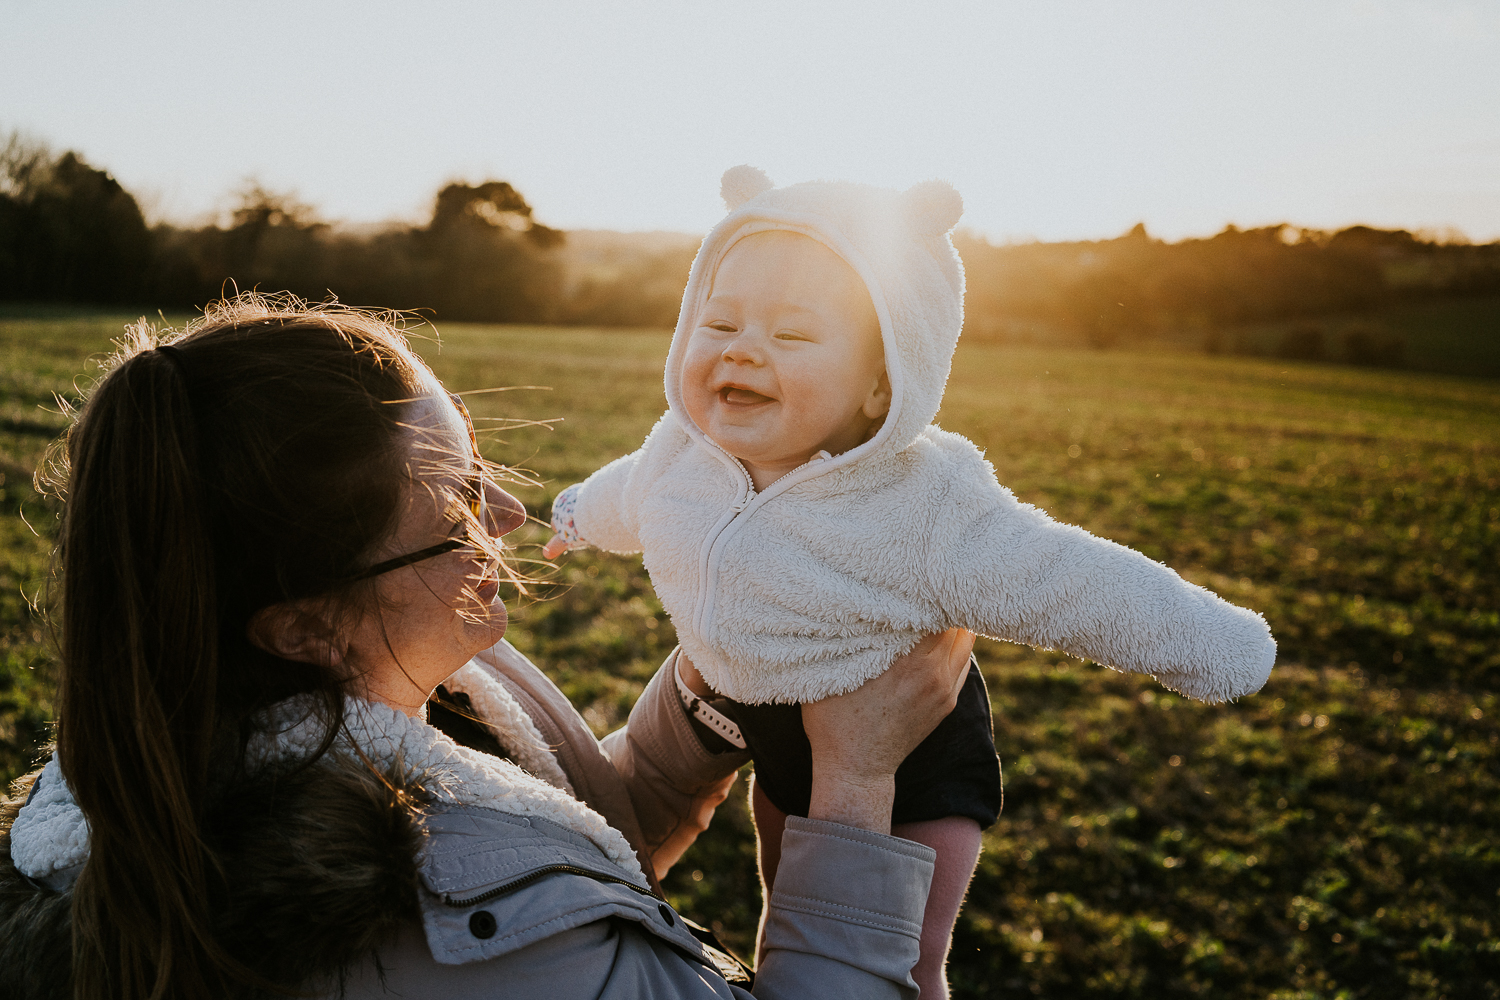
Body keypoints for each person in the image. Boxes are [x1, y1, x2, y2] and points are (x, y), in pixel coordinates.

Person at [0, 293, 978, 1000]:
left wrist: (717, 680)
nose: (508, 513)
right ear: (301, 624)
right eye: (459, 502)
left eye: (478, 459)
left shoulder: (402, 681)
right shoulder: (414, 943)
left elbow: (602, 828)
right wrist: (855, 783)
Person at [543, 166, 1279, 997]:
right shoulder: (679, 457)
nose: (742, 348)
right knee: (786, 913)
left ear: (881, 382)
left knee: (904, 960)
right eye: (718, 321)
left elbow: (1068, 579)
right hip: (771, 731)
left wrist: (1215, 645)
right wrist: (569, 516)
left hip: (912, 752)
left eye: (791, 335)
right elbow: (623, 496)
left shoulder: (922, 503)